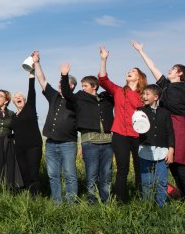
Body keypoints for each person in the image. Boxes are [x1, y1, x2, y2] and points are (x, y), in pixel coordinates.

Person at [133, 41, 185, 208]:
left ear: (180, 74)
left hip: (179, 126)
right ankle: (181, 199)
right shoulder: (165, 86)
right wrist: (141, 51)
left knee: (181, 168)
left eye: (173, 68)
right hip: (166, 126)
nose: (169, 70)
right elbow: (152, 67)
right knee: (170, 167)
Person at [98, 46, 145, 203]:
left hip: (139, 135)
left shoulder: (143, 95)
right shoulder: (118, 90)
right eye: (128, 70)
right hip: (120, 135)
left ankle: (141, 198)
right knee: (122, 169)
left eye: (133, 71)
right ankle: (121, 200)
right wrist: (104, 59)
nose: (129, 71)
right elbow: (103, 80)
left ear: (139, 78)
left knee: (140, 168)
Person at [35, 54, 79, 203]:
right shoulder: (53, 96)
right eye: (59, 84)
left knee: (69, 175)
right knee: (53, 175)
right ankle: (57, 203)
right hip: (51, 143)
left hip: (68, 143)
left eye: (63, 84)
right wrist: (37, 63)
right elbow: (42, 80)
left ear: (71, 86)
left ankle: (72, 203)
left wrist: (64, 75)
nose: (59, 86)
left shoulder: (76, 100)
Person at [75, 74, 114, 203]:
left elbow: (114, 90)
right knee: (91, 174)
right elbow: (67, 94)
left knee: (106, 174)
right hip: (89, 143)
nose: (83, 88)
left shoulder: (106, 99)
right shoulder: (80, 97)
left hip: (107, 143)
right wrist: (64, 76)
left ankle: (106, 200)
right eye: (82, 86)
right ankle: (92, 200)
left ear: (94, 86)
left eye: (85, 86)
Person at [137, 85, 175, 207]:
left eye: (147, 94)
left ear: (156, 97)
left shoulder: (165, 113)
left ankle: (161, 207)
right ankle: (147, 206)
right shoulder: (140, 111)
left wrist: (171, 150)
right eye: (144, 94)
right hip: (145, 151)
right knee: (147, 182)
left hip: (162, 152)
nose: (144, 96)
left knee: (162, 181)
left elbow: (170, 132)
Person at [11, 57, 43, 196]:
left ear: (24, 100)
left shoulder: (30, 108)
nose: (18, 98)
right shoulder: (13, 116)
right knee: (24, 173)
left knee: (33, 173)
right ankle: (27, 197)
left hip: (33, 146)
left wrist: (31, 73)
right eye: (15, 97)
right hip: (19, 148)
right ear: (13, 102)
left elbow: (32, 90)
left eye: (20, 97)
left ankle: (36, 198)